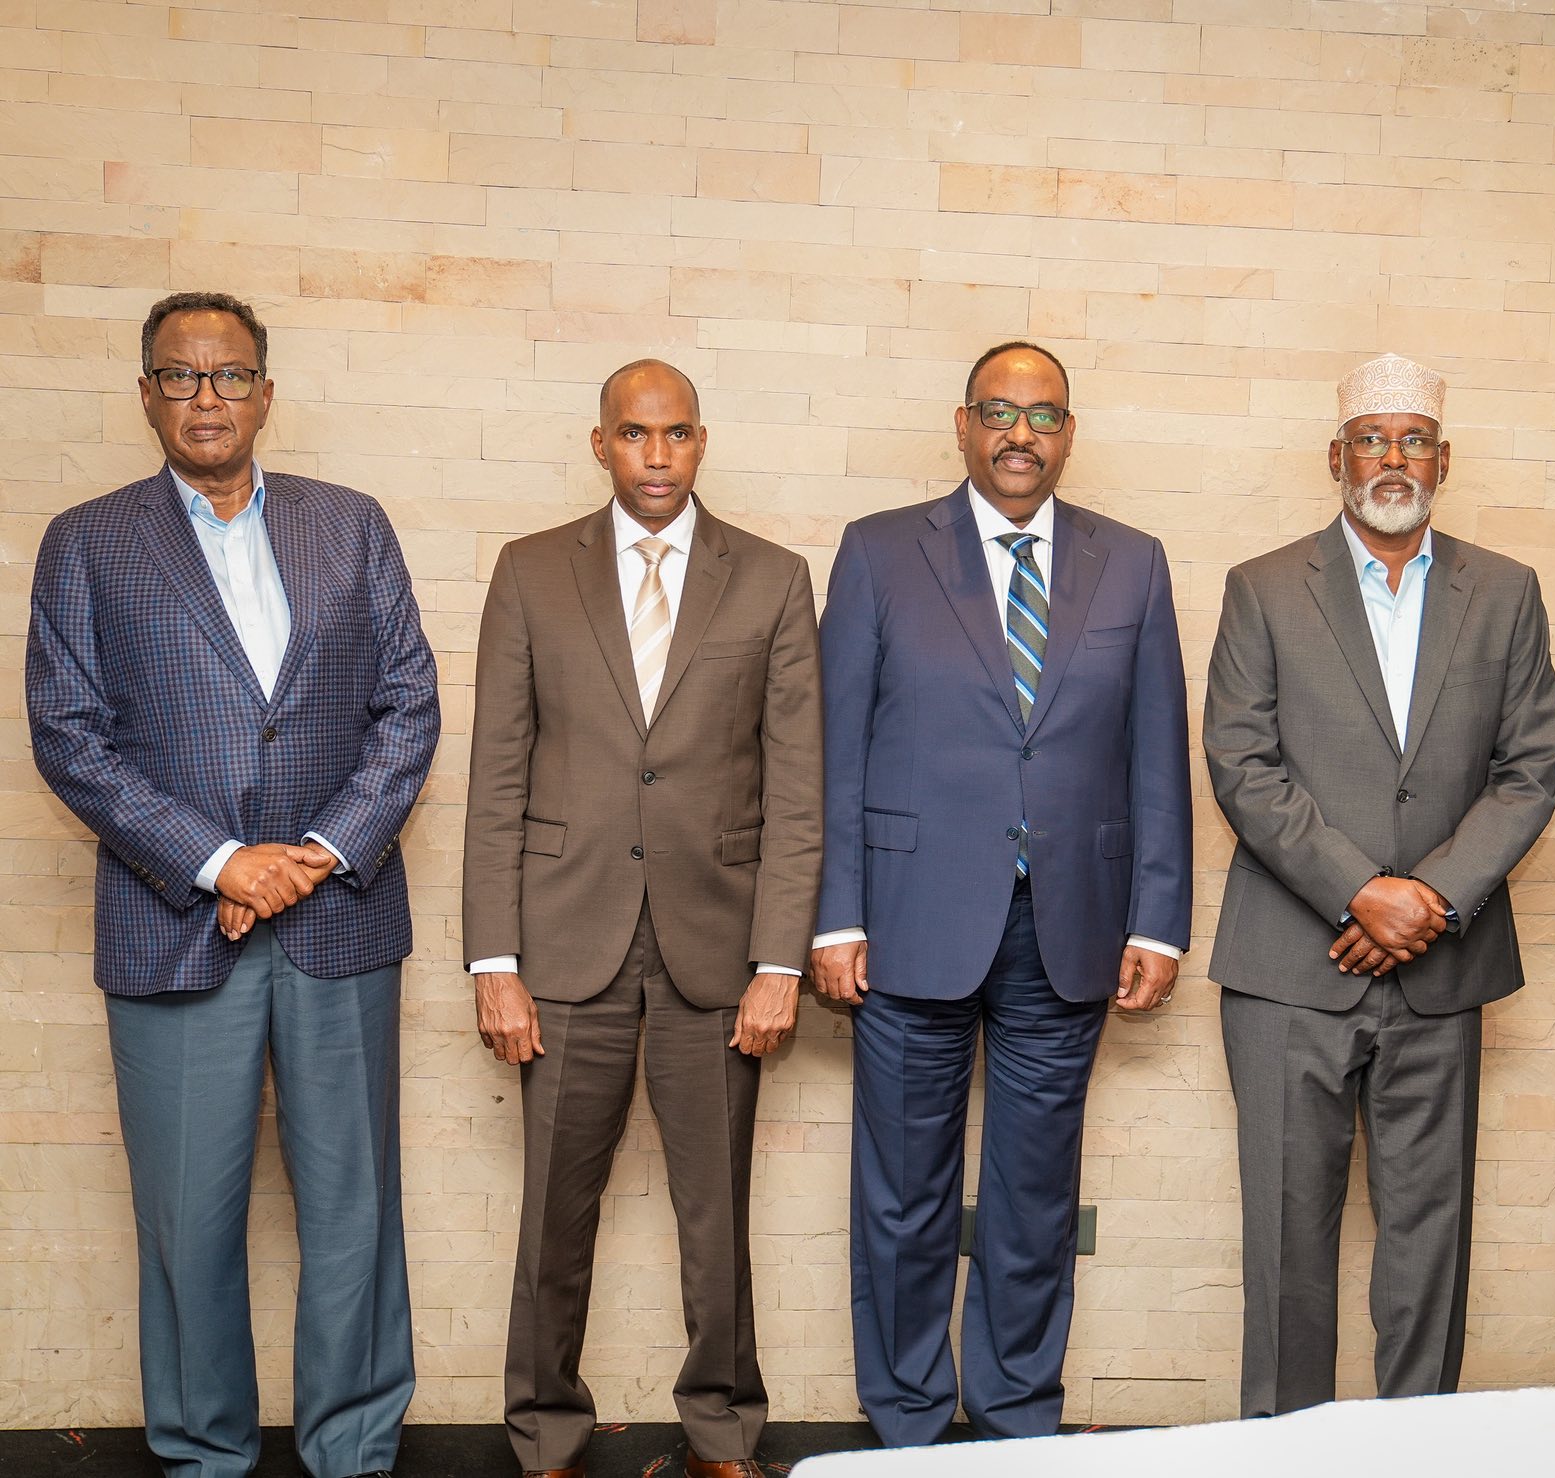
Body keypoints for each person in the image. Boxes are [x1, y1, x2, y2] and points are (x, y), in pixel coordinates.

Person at [26, 291, 439, 1478]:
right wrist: (220, 860)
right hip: (174, 923)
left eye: (229, 374)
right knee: (187, 1215)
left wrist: (312, 851)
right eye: (180, 374)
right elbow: (68, 734)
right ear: (145, 393)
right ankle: (206, 1451)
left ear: (265, 392)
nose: (205, 396)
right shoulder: (86, 541)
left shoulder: (350, 524)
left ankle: (352, 1447)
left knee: (353, 1207)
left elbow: (409, 705)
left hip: (338, 916)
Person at [811, 341, 1193, 1445]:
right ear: (963, 424)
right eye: (997, 411)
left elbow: (1156, 753)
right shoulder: (879, 551)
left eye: (1043, 415)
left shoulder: (1133, 563)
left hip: (1068, 928)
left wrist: (1159, 920)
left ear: (1068, 434)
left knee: (1034, 1197)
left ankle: (1018, 1419)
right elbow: (834, 749)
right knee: (902, 1198)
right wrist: (836, 914)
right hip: (906, 923)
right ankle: (908, 1423)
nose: (1020, 434)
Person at [463, 359, 822, 1478]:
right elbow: (496, 778)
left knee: (717, 1217)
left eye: (674, 434)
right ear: (600, 443)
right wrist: (493, 960)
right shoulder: (530, 571)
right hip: (564, 946)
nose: (655, 455)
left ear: (700, 441)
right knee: (551, 1219)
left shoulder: (773, 579)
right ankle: (544, 1432)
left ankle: (722, 1428)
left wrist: (779, 962)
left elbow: (796, 787)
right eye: (633, 434)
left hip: (718, 951)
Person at [1203, 352, 1555, 1411]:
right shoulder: (1264, 587)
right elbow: (1240, 762)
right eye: (1371, 439)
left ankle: (1417, 1453)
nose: (1391, 459)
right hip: (1288, 968)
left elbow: (1528, 770)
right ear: (1336, 457)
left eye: (1413, 440)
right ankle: (1286, 1453)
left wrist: (1429, 901)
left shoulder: (1505, 591)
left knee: (1428, 1244)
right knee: (1286, 1243)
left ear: (1443, 460)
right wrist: (1362, 890)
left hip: (1441, 971)